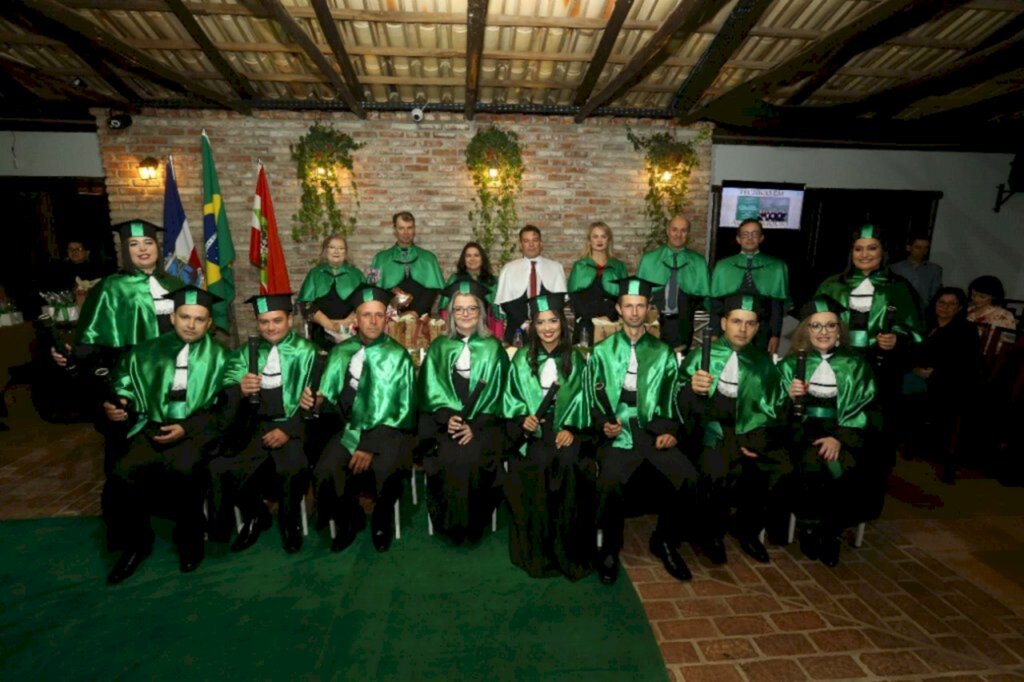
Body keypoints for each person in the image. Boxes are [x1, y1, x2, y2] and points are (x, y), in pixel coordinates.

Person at [101, 286, 232, 584]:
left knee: (185, 473)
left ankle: (190, 544)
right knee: (123, 473)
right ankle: (136, 545)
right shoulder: (145, 351)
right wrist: (121, 404)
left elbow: (226, 407)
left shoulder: (224, 358)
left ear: (210, 323)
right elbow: (124, 385)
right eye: (185, 317)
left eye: (199, 319)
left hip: (195, 430)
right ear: (172, 317)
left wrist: (188, 427)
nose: (191, 324)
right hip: (152, 427)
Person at [588, 276, 695, 585]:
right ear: (619, 310)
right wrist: (602, 425)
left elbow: (671, 395)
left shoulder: (663, 353)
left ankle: (664, 540)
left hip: (651, 428)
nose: (635, 312)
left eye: (640, 306)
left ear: (649, 309)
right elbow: (590, 396)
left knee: (685, 476)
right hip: (616, 429)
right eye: (628, 306)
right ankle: (608, 549)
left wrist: (669, 429)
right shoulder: (602, 351)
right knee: (608, 481)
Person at [51, 220, 182, 472]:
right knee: (129, 454)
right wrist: (71, 355)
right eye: (134, 244)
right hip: (131, 378)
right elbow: (92, 340)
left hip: (174, 376)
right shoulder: (110, 287)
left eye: (148, 242)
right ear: (124, 250)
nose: (142, 249)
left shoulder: (175, 285)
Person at [815, 224, 922, 520]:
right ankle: (823, 505)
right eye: (859, 248)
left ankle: (862, 508)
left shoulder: (899, 288)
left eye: (871, 248)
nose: (864, 254)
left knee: (873, 440)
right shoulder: (832, 285)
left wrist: (897, 338)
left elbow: (916, 331)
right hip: (838, 371)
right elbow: (813, 324)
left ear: (883, 252)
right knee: (834, 434)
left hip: (880, 374)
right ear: (851, 253)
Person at [305, 284, 416, 553]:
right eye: (367, 315)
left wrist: (368, 444)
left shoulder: (398, 356)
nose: (373, 321)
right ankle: (348, 518)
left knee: (385, 469)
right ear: (356, 317)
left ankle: (381, 521)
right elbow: (331, 401)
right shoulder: (341, 351)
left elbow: (404, 411)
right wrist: (317, 402)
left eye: (379, 315)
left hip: (387, 432)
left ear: (387, 317)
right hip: (347, 429)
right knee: (326, 471)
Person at [679, 294, 786, 565]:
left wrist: (756, 440)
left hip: (749, 432)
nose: (743, 329)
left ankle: (747, 530)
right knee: (717, 468)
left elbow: (774, 409)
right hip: (709, 430)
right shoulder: (701, 355)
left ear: (758, 327)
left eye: (750, 323)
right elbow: (675, 398)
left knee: (778, 467)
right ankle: (710, 533)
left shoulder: (763, 363)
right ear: (724, 322)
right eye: (737, 321)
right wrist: (692, 388)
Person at [209, 293, 318, 554]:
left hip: (292, 427)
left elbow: (318, 401)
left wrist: (288, 430)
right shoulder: (246, 353)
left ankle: (289, 523)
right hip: (254, 428)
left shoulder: (308, 352)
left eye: (277, 320)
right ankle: (256, 515)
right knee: (222, 468)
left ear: (289, 320)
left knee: (293, 468)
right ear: (257, 323)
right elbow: (224, 392)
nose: (271, 327)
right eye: (264, 321)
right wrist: (240, 389)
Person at [778, 296, 876, 567]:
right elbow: (770, 411)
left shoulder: (856, 365)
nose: (823, 332)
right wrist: (787, 396)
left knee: (847, 469)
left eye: (830, 326)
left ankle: (830, 532)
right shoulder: (790, 364)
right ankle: (810, 528)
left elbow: (867, 408)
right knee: (810, 465)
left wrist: (840, 438)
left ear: (839, 330)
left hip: (844, 431)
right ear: (806, 330)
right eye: (816, 326)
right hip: (801, 431)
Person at [503, 293, 594, 580]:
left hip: (566, 427)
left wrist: (572, 429)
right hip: (533, 432)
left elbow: (585, 398)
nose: (547, 328)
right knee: (537, 465)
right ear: (532, 326)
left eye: (553, 320)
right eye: (540, 322)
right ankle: (538, 553)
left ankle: (567, 552)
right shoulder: (520, 360)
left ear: (562, 323)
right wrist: (523, 419)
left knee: (569, 465)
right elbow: (511, 398)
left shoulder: (577, 360)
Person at [417, 279, 508, 544]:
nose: (465, 314)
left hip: (484, 426)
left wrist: (475, 426)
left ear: (481, 313)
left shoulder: (493, 349)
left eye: (472, 308)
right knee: (449, 458)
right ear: (451, 314)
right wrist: (448, 419)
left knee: (472, 459)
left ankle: (473, 524)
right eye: (459, 309)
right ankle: (450, 524)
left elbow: (501, 396)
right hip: (445, 424)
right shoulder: (439, 347)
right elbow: (430, 391)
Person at [911, 287, 982, 482]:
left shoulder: (967, 330)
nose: (945, 307)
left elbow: (967, 362)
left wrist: (935, 372)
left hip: (951, 380)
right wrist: (914, 368)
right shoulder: (923, 323)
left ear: (959, 308)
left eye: (952, 304)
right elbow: (909, 351)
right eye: (942, 302)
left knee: (942, 395)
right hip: (917, 374)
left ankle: (945, 457)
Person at [710, 219, 790, 355]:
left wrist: (775, 335)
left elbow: (777, 306)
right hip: (730, 330)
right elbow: (717, 305)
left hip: (762, 332)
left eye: (754, 234)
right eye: (745, 234)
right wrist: (714, 333)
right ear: (738, 239)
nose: (750, 238)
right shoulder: (723, 266)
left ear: (761, 238)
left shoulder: (776, 267)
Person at [636, 215, 710, 351]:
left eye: (683, 230)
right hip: (653, 321)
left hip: (683, 323)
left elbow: (706, 298)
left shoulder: (698, 262)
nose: (678, 234)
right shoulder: (649, 259)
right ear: (667, 231)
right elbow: (638, 294)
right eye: (674, 229)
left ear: (688, 233)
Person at [495, 225, 567, 344]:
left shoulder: (556, 268)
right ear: (520, 245)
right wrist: (525, 325)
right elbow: (506, 303)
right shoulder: (508, 269)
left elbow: (559, 302)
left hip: (548, 332)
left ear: (541, 243)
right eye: (526, 241)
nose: (531, 244)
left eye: (535, 240)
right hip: (517, 331)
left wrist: (540, 325)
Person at [297, 234, 365, 350]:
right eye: (332, 247)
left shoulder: (356, 274)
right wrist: (329, 324)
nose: (336, 251)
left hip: (351, 331)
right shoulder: (315, 273)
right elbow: (306, 304)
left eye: (341, 248)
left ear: (346, 252)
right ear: (325, 250)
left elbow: (365, 302)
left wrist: (347, 322)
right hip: (321, 331)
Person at [369, 211, 445, 317]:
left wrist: (415, 313)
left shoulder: (429, 258)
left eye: (409, 228)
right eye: (401, 228)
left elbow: (432, 292)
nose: (406, 232)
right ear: (395, 230)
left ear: (414, 230)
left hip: (421, 318)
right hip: (388, 319)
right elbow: (372, 289)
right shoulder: (379, 259)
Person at [567, 222, 628, 346]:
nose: (599, 240)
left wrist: (609, 317)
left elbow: (624, 298)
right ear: (589, 240)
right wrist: (591, 318)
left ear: (609, 240)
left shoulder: (619, 266)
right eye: (595, 236)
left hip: (611, 323)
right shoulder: (580, 266)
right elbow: (574, 298)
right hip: (585, 323)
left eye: (603, 236)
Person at [438, 242, 505, 339]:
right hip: (458, 331)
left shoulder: (492, 282)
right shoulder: (454, 279)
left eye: (476, 255)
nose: (472, 259)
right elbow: (445, 309)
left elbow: (498, 313)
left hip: (486, 330)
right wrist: (449, 330)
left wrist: (498, 336)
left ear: (482, 259)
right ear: (463, 259)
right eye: (468, 256)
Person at [966, 275, 1017, 357]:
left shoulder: (1004, 315)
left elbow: (1007, 344)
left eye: (982, 297)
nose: (976, 299)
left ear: (993, 296)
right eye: (973, 295)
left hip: (986, 357)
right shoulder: (968, 310)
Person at [889, 234, 942, 310]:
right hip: (899, 310)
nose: (922, 251)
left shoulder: (935, 269)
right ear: (909, 247)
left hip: (923, 312)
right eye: (918, 247)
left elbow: (934, 294)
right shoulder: (895, 268)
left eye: (925, 248)